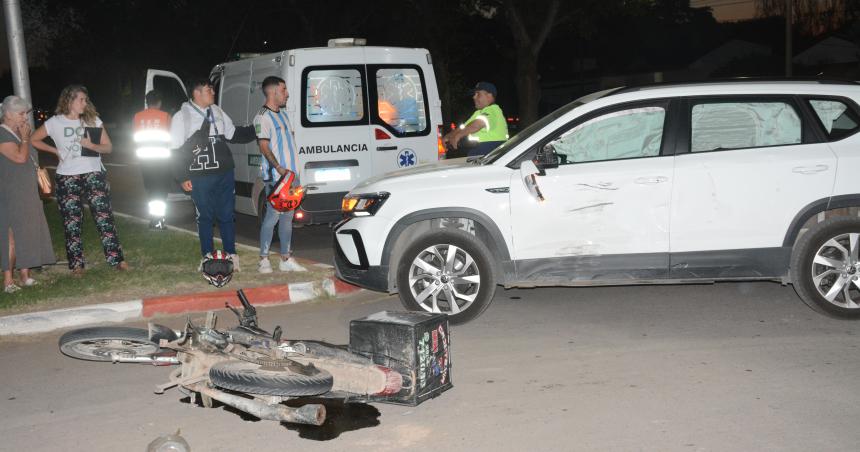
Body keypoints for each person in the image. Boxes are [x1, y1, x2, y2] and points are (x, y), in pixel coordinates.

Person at [31, 85, 128, 275]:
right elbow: (34, 139)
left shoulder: (92, 120)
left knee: (104, 218)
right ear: (69, 100)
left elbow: (108, 147)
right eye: (81, 99)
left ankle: (117, 259)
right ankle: (76, 264)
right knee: (72, 222)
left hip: (93, 174)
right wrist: (54, 151)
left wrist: (92, 145)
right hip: (67, 177)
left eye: (86, 99)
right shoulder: (55, 122)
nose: (85, 103)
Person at [169, 79, 255, 270]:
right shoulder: (182, 117)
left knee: (227, 215)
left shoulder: (217, 110)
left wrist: (258, 128)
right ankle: (207, 256)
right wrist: (182, 177)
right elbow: (174, 151)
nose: (213, 92)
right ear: (197, 93)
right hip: (200, 176)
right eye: (209, 89)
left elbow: (234, 134)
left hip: (224, 172)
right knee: (205, 217)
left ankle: (231, 255)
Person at [0, 95, 56, 292]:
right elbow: (19, 157)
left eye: (26, 113)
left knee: (28, 232)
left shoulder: (19, 132)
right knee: (11, 235)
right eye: (21, 113)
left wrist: (25, 137)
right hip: (10, 193)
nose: (25, 117)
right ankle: (8, 281)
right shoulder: (2, 134)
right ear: (7, 114)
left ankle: (25, 275)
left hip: (27, 192)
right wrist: (25, 138)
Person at [253, 76, 307, 273]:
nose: (287, 94)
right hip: (278, 178)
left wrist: (294, 172)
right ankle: (263, 260)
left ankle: (286, 258)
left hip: (292, 176)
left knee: (288, 217)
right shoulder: (262, 117)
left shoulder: (283, 114)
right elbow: (264, 146)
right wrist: (278, 168)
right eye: (283, 90)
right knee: (272, 217)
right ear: (273, 92)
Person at [133, 90, 173, 229]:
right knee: (161, 191)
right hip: (161, 161)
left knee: (151, 190)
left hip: (145, 160)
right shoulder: (166, 116)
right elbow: (171, 137)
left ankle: (154, 219)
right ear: (160, 102)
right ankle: (158, 221)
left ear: (147, 102)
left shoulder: (137, 116)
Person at [442, 81, 509, 157]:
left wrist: (458, 136)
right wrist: (450, 135)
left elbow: (478, 124)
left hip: (489, 157)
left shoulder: (493, 110)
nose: (474, 97)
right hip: (480, 156)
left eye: (478, 94)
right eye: (474, 94)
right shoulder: (479, 113)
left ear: (489, 96)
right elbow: (465, 127)